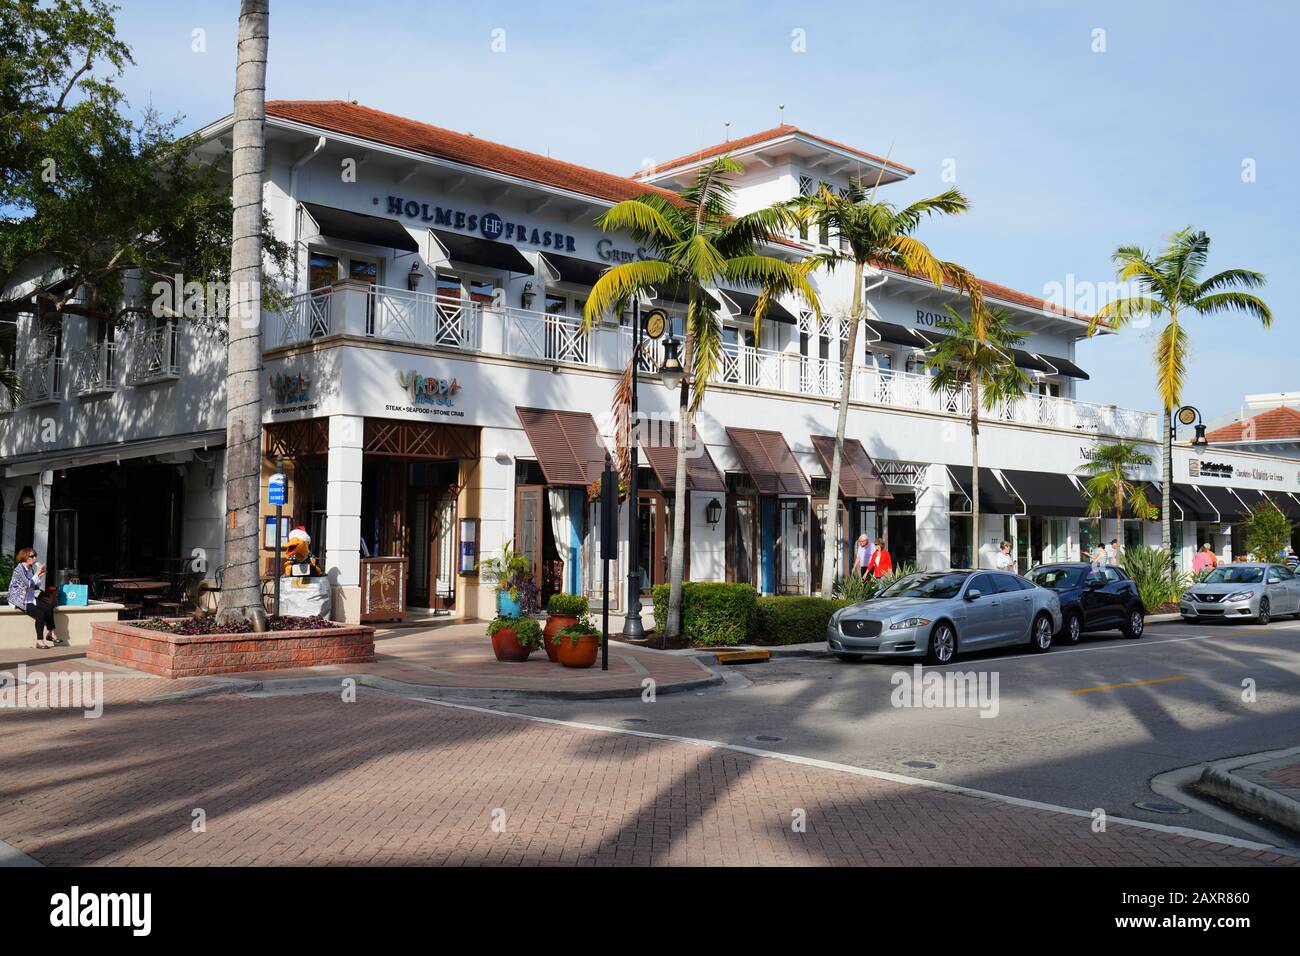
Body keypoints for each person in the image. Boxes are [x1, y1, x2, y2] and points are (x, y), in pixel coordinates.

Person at [7, 548, 59, 649]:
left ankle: (51, 633)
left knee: (48, 607)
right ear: (25, 557)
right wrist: (37, 573)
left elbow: (34, 586)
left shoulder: (30, 568)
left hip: (30, 597)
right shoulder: (18, 569)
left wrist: (39, 576)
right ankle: (39, 641)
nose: (34, 558)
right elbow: (28, 584)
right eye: (31, 556)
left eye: (35, 556)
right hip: (19, 599)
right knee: (40, 614)